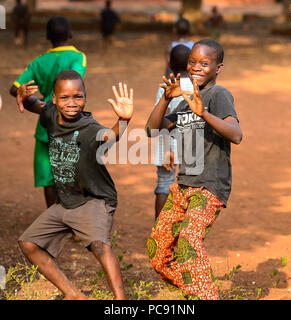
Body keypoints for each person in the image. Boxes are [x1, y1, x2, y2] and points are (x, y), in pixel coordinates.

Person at [16, 69, 134, 300]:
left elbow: (109, 136)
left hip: (95, 200)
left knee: (100, 246)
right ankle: (74, 295)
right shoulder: (49, 113)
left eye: (78, 97)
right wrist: (23, 95)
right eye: (65, 97)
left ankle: (121, 303)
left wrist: (124, 120)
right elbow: (35, 104)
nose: (72, 103)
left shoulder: (89, 129)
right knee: (28, 243)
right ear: (54, 99)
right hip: (67, 202)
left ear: (85, 98)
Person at [146, 39, 242, 300]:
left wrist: (204, 114)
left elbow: (236, 134)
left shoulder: (218, 94)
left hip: (209, 186)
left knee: (188, 240)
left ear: (218, 68)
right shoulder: (183, 101)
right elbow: (152, 130)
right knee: (157, 251)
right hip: (183, 185)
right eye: (192, 62)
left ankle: (206, 297)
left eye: (204, 63)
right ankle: (198, 291)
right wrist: (165, 100)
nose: (196, 67)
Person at [9, 16, 87, 208]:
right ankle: (73, 223)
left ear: (47, 36)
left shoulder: (38, 62)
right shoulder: (78, 57)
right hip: (71, 123)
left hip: (45, 124)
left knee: (49, 177)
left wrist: (33, 101)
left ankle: (54, 221)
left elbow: (15, 88)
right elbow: (74, 82)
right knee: (72, 173)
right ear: (70, 34)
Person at [153, 44, 193, 219]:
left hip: (167, 142)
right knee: (190, 187)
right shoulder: (196, 87)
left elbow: (161, 119)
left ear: (170, 62)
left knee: (164, 185)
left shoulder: (166, 86)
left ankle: (159, 231)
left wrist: (167, 148)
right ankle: (184, 232)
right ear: (191, 64)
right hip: (191, 144)